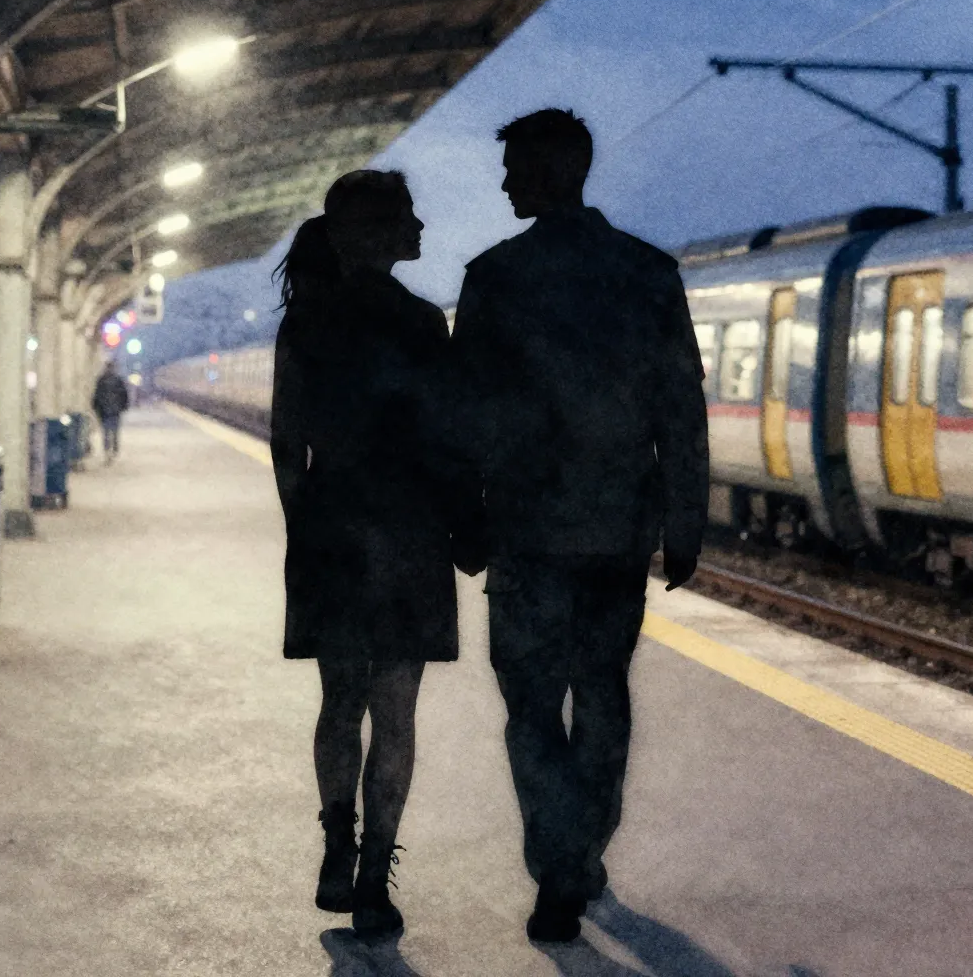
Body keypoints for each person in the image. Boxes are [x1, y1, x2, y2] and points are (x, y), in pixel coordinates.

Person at [450, 109, 708, 944]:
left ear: (559, 169)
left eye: (517, 167)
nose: (506, 183)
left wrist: (465, 516)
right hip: (616, 533)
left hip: (526, 534)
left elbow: (468, 414)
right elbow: (682, 407)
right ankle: (580, 855)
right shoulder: (647, 272)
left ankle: (558, 867)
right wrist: (685, 518)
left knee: (531, 709)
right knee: (601, 697)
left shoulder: (494, 277)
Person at [269, 170, 477, 938]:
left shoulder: (306, 322)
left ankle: (335, 844)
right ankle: (374, 879)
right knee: (395, 713)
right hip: (410, 532)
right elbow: (448, 440)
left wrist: (302, 531)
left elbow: (288, 442)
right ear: (374, 232)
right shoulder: (424, 325)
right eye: (406, 218)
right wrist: (466, 525)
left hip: (332, 528)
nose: (419, 228)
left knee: (340, 702)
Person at [91, 362, 130, 463]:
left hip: (104, 411)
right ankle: (114, 450)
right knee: (115, 432)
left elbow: (96, 395)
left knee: (106, 432)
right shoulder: (118, 380)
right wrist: (124, 406)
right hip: (115, 411)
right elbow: (124, 394)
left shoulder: (101, 379)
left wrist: (95, 407)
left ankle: (107, 450)